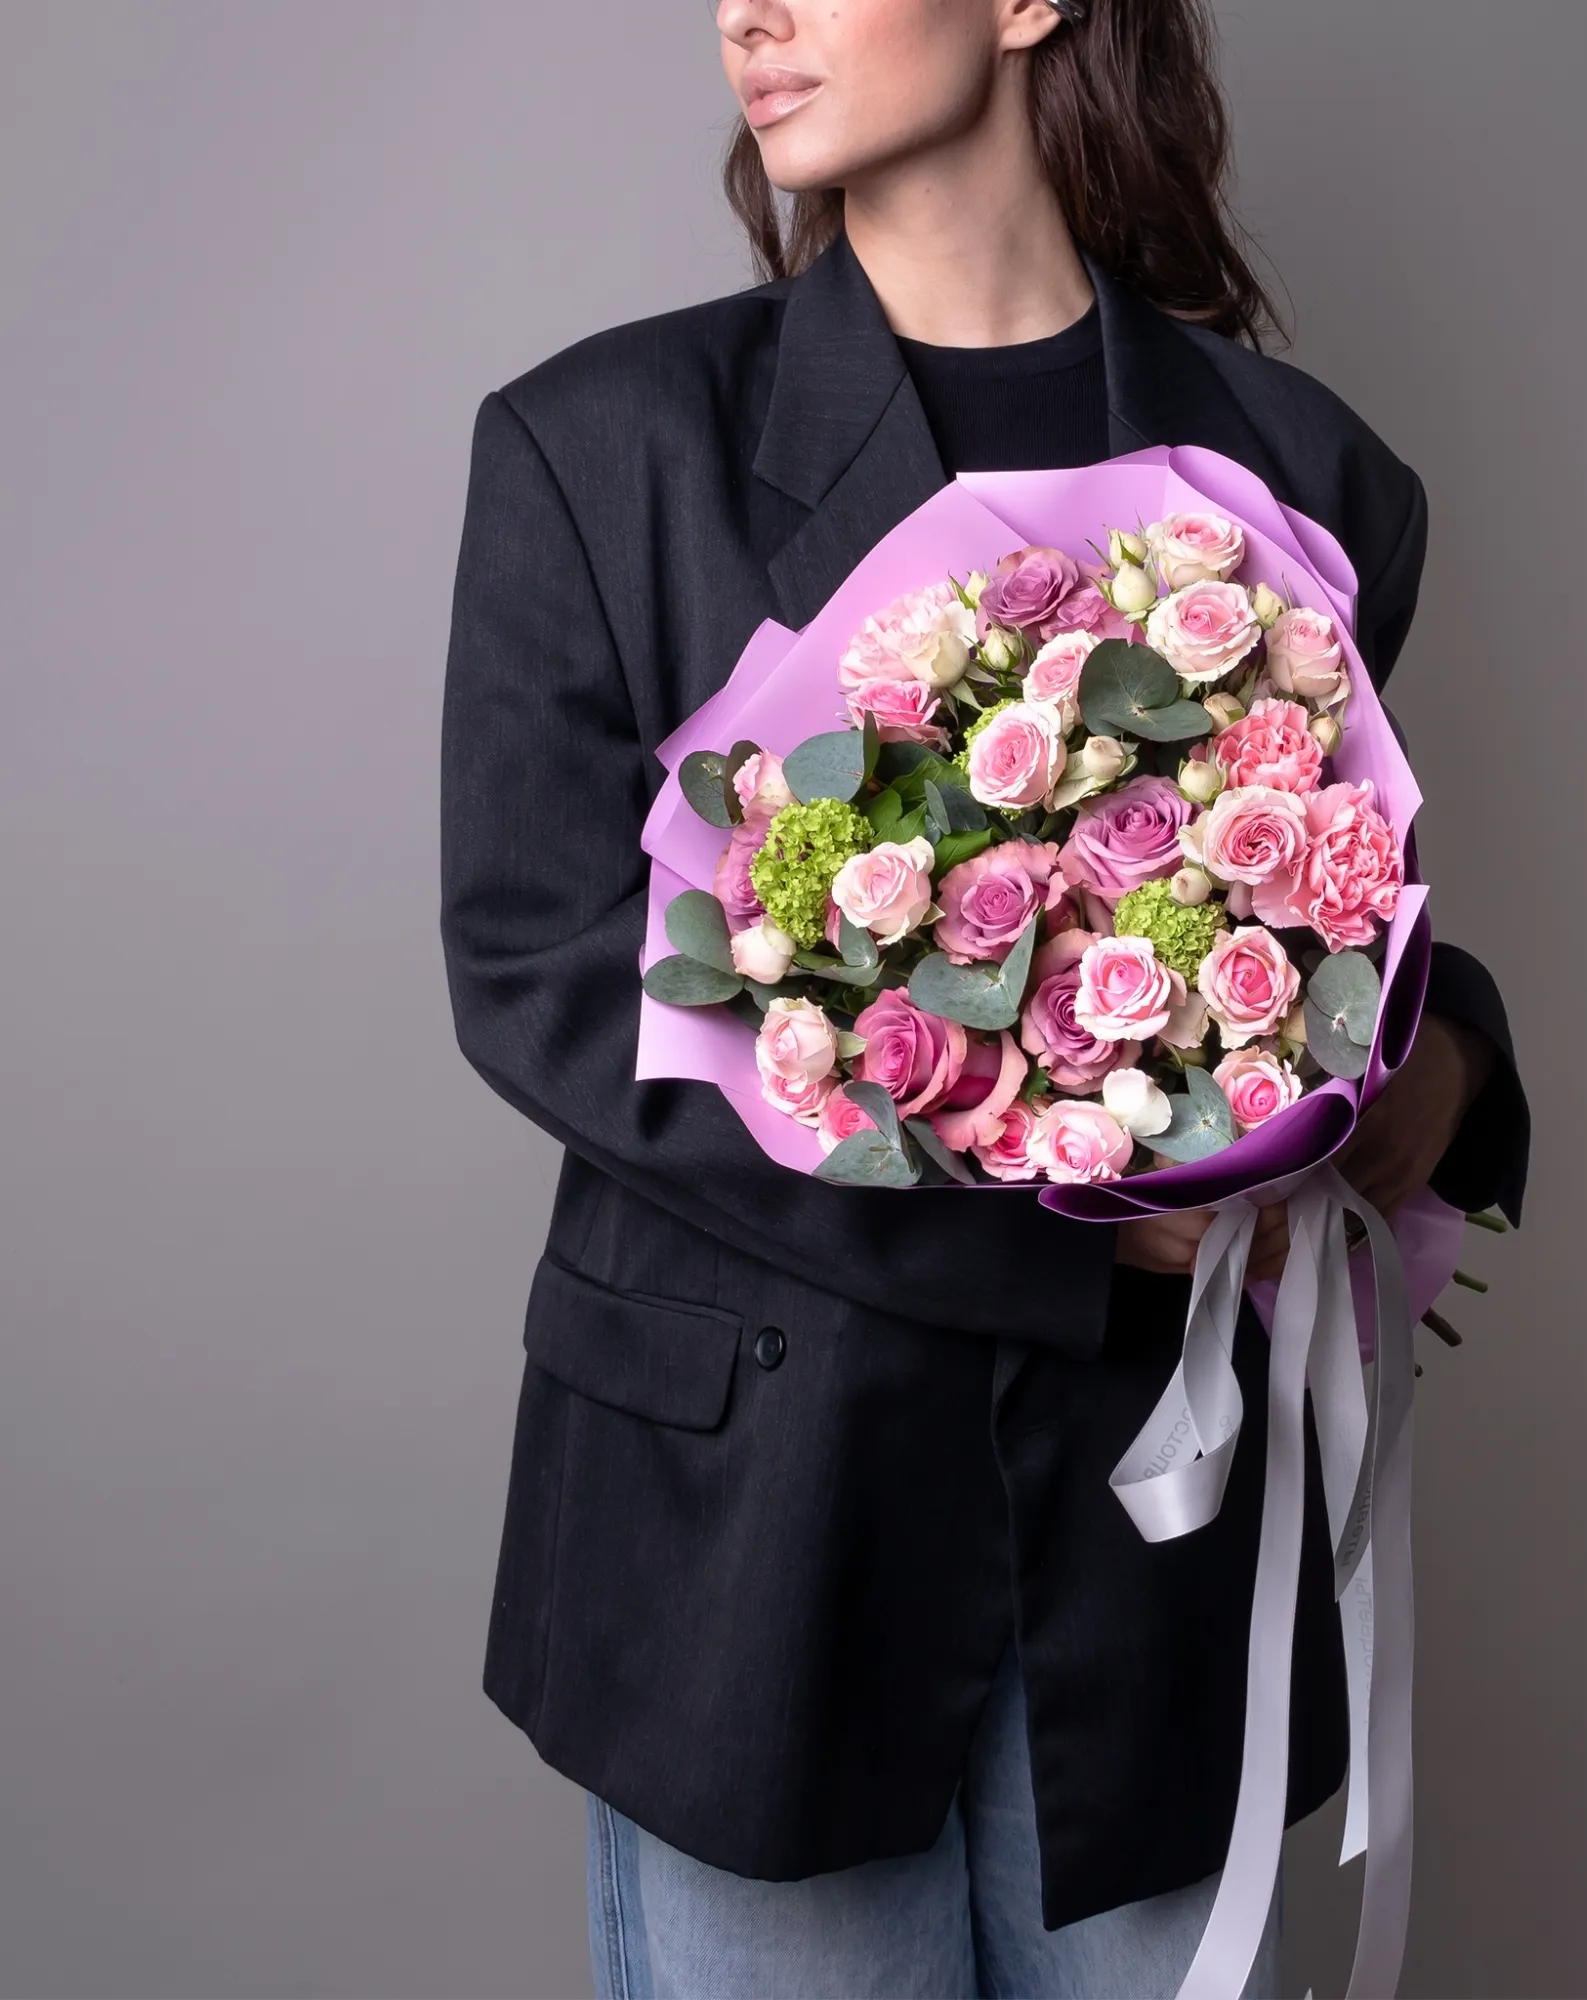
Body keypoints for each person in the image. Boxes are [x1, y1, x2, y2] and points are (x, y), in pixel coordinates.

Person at [440, 1, 1529, 1992]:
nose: (745, 15)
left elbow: (1341, 909)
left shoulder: (1307, 477)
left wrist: (1442, 1065)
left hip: (1149, 1561)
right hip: (754, 1553)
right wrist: (1065, 1232)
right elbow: (539, 973)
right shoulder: (603, 450)